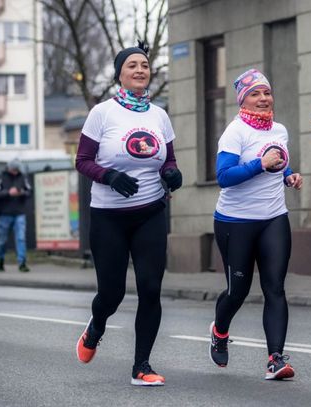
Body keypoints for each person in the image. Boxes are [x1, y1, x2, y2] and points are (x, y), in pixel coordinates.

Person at [74, 41, 183, 386]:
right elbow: (82, 161)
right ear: (119, 75)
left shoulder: (159, 116)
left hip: (150, 212)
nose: (139, 70)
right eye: (132, 65)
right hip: (109, 216)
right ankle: (96, 327)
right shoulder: (102, 113)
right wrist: (109, 176)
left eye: (144, 65)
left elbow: (168, 159)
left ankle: (142, 366)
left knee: (150, 288)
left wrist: (172, 174)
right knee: (112, 294)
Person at [209, 69, 303, 380]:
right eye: (255, 94)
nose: (263, 98)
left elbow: (279, 161)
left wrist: (288, 175)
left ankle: (276, 359)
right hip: (235, 222)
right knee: (238, 291)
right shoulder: (235, 133)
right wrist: (260, 165)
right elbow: (224, 177)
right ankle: (220, 330)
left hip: (274, 218)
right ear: (242, 100)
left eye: (267, 92)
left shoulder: (279, 130)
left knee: (275, 288)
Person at [0, 158, 32, 272]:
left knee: (21, 238)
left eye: (17, 169)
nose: (15, 171)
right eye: (14, 169)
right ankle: (1, 260)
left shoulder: (23, 177)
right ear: (9, 168)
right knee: (3, 240)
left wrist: (21, 193)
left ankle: (22, 263)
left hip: (19, 213)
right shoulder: (1, 177)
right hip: (4, 214)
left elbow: (30, 191)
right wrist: (8, 193)